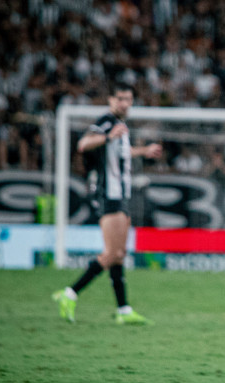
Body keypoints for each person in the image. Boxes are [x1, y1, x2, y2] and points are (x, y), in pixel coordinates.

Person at [52, 82, 162, 324]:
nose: (125, 103)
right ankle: (69, 293)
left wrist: (143, 151)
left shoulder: (121, 125)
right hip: (108, 195)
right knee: (113, 253)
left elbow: (121, 152)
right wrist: (107, 135)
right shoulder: (107, 121)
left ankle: (123, 310)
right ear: (111, 100)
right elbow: (84, 144)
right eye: (120, 98)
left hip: (120, 195)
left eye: (129, 99)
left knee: (119, 254)